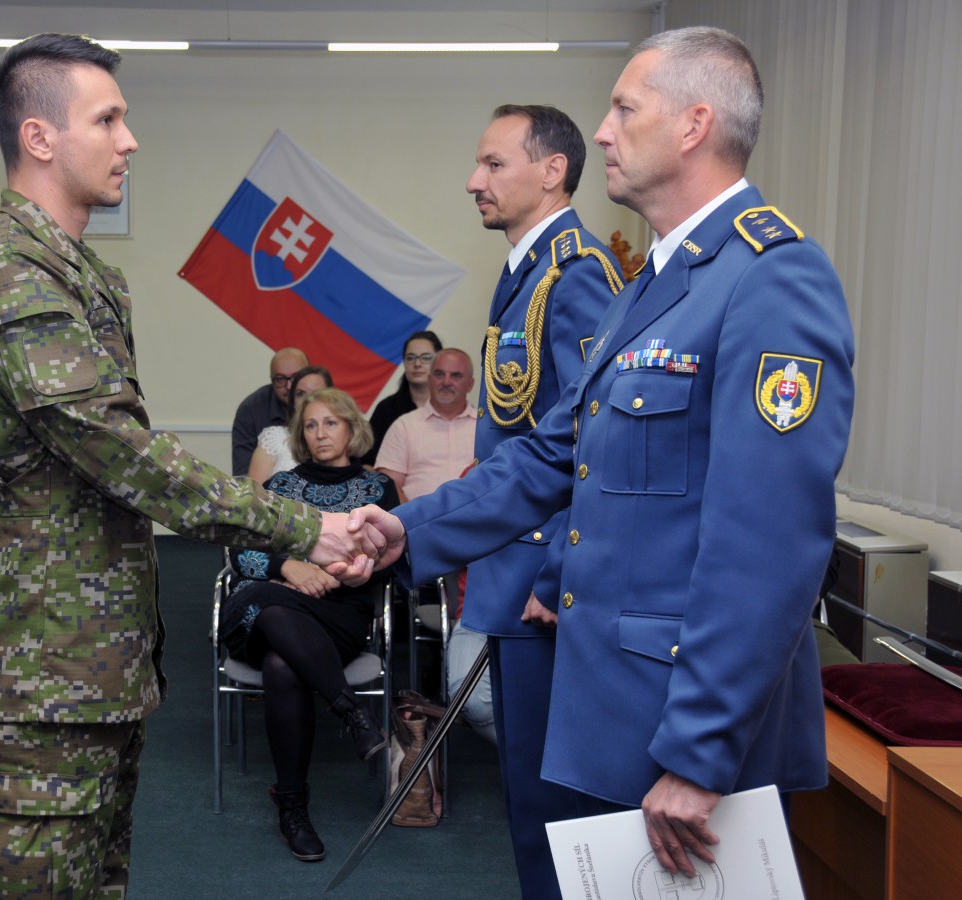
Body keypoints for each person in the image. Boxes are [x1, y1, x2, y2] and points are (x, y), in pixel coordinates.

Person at [336, 26, 855, 884]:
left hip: (683, 721)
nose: (602, 132)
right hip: (607, 702)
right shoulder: (649, 288)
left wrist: (700, 750)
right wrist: (407, 530)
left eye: (623, 109)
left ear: (692, 124)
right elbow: (552, 455)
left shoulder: (770, 278)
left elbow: (768, 543)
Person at [0, 33, 366, 898]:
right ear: (39, 137)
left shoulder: (81, 273)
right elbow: (116, 449)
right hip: (40, 668)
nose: (129, 140)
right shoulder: (9, 274)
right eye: (107, 119)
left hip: (93, 660)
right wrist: (301, 527)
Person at [459, 103, 622, 896]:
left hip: (545, 586)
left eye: (493, 164)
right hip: (515, 569)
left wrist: (557, 570)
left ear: (552, 170)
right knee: (527, 798)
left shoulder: (576, 272)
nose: (473, 181)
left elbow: (596, 437)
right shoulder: (527, 269)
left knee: (556, 807)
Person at [224, 387, 397, 863]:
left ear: (352, 428)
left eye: (330, 423)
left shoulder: (377, 489)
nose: (320, 433)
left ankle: (292, 807)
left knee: (282, 665)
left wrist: (339, 572)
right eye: (310, 425)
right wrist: (289, 568)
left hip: (340, 614)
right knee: (269, 604)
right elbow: (241, 551)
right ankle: (352, 713)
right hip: (275, 606)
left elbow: (390, 558)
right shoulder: (280, 487)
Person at [375, 348, 476, 502]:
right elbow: (389, 485)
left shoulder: (485, 428)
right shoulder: (404, 426)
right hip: (414, 516)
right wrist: (413, 516)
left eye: (456, 376)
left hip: (479, 515)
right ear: (429, 380)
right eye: (439, 374)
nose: (446, 382)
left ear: (470, 384)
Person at [361, 330, 441, 467]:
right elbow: (366, 462)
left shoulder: (452, 408)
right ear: (404, 362)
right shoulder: (386, 409)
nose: (417, 364)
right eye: (410, 358)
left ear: (439, 362)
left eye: (426, 357)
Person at [246, 365, 332, 484]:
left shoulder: (341, 439)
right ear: (293, 401)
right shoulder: (274, 438)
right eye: (301, 394)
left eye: (316, 394)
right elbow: (253, 493)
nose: (308, 400)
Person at [231, 347, 308, 476]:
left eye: (296, 377)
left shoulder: (327, 405)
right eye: (280, 379)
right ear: (272, 380)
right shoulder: (250, 410)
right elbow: (243, 476)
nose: (289, 386)